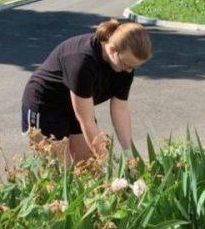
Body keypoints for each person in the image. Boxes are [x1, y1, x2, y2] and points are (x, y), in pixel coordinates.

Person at [21, 19, 152, 163]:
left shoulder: (124, 65)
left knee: (89, 166)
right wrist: (108, 163)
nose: (129, 70)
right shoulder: (82, 61)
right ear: (112, 49)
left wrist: (129, 155)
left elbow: (120, 109)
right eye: (127, 65)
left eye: (134, 67)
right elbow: (87, 121)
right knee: (59, 172)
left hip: (76, 104)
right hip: (45, 104)